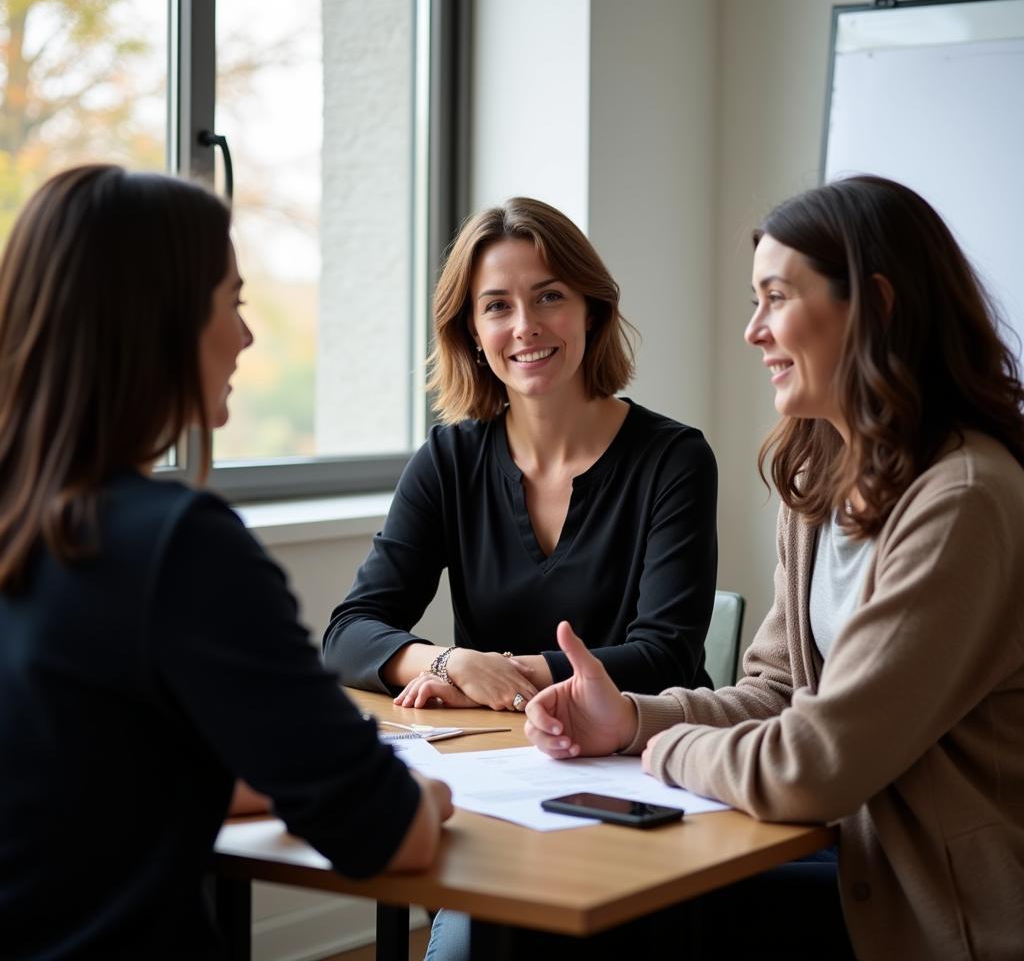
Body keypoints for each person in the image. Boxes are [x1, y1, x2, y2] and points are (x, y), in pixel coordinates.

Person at [525, 175, 1024, 961]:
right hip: (854, 863)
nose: (754, 330)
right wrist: (630, 719)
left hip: (949, 915)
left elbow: (815, 763)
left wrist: (665, 751)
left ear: (878, 307)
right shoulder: (822, 479)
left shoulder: (964, 499)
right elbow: (778, 693)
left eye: (777, 297)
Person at [0, 165, 452, 960]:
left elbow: (94, 778)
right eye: (232, 301)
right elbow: (392, 837)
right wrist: (428, 796)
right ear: (165, 321)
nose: (245, 336)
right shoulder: (176, 546)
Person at [323, 197, 718, 713]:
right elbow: (348, 635)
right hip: (502, 757)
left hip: (648, 750)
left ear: (591, 311)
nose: (525, 325)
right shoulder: (448, 461)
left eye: (549, 296)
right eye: (497, 306)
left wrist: (499, 676)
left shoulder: (674, 459)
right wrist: (454, 664)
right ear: (473, 332)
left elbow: (665, 657)